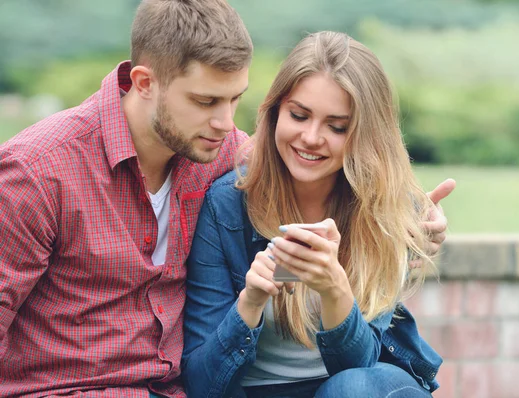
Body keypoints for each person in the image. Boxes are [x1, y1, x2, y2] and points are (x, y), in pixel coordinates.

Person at [0, 1, 452, 397]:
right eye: (205, 101)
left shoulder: (213, 152)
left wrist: (414, 221)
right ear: (144, 83)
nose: (224, 123)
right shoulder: (39, 172)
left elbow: (326, 161)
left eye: (235, 100)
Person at [182, 31, 451, 398]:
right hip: (259, 390)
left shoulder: (384, 209)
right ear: (276, 111)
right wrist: (249, 304)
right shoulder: (228, 205)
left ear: (365, 134)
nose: (310, 137)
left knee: (351, 388)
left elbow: (359, 369)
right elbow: (200, 383)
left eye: (336, 126)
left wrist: (333, 288)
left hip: (361, 387)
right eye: (298, 115)